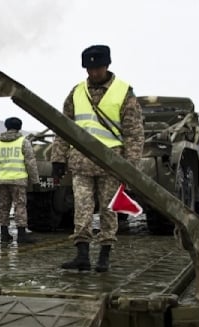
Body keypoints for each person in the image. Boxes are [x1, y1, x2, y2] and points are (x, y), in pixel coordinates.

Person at [52, 44, 144, 272]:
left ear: (107, 66)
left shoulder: (124, 93)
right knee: (82, 209)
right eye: (90, 69)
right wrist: (58, 159)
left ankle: (104, 255)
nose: (94, 73)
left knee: (108, 210)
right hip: (81, 163)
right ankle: (82, 255)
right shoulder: (76, 92)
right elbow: (63, 128)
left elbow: (134, 133)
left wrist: (131, 167)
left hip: (111, 165)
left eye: (98, 68)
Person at [0, 117, 40, 244]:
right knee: (20, 206)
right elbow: (30, 163)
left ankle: (4, 233)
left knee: (3, 207)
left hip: (2, 181)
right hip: (18, 180)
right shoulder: (23, 142)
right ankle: (22, 235)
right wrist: (35, 181)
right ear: (19, 127)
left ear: (6, 127)